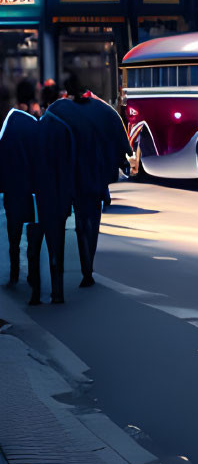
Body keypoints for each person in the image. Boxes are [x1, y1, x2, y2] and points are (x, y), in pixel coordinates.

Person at [46, 74, 124, 287]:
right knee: (92, 221)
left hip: (72, 175)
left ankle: (85, 267)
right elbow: (120, 139)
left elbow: (47, 139)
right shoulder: (103, 110)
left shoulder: (57, 110)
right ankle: (88, 267)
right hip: (97, 174)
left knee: (81, 222)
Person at [25, 103, 73, 305]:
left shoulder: (31, 132)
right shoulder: (64, 132)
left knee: (33, 251)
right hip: (55, 202)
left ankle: (35, 293)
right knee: (56, 248)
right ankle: (57, 292)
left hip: (35, 203)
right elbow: (67, 171)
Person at [0, 84, 36, 285]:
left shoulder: (13, 126)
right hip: (29, 190)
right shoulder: (30, 123)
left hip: (17, 190)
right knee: (28, 233)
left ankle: (16, 273)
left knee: (15, 235)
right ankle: (29, 273)